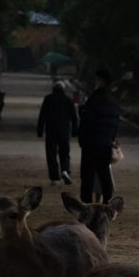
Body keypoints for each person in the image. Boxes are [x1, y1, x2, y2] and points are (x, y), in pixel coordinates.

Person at [76, 68, 120, 203]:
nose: (94, 82)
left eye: (95, 80)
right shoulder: (114, 101)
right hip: (106, 143)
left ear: (100, 82)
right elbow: (114, 123)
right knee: (104, 174)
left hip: (91, 143)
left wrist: (81, 109)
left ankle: (87, 205)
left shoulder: (94, 100)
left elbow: (87, 121)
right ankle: (108, 203)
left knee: (87, 177)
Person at [37, 82, 77, 186]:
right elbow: (74, 117)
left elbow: (42, 116)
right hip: (64, 131)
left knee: (51, 154)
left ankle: (54, 178)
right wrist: (75, 131)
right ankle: (65, 170)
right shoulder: (68, 100)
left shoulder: (48, 99)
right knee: (64, 152)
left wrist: (40, 131)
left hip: (51, 131)